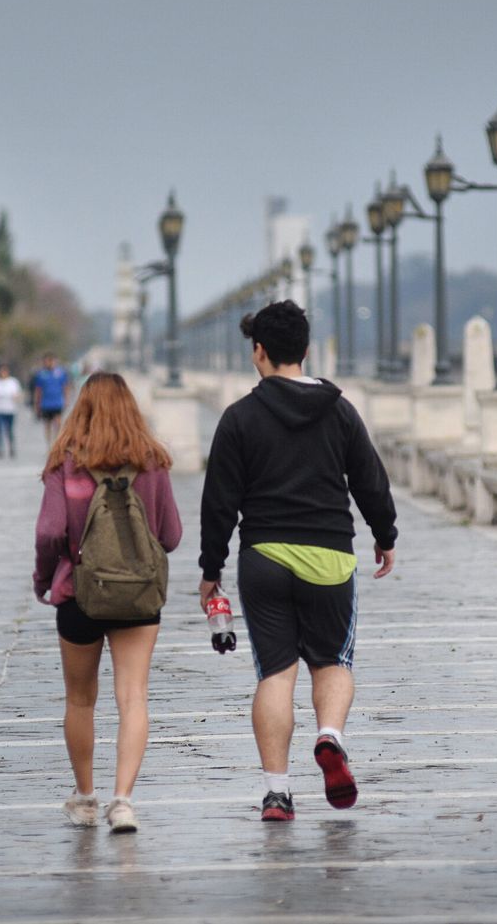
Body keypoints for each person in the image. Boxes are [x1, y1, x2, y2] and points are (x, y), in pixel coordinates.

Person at [197, 300, 397, 822]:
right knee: (332, 663)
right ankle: (329, 736)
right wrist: (385, 534)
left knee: (276, 674)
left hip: (263, 557)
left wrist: (210, 570)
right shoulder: (339, 410)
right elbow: (370, 480)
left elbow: (219, 501)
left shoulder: (239, 417)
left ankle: (277, 793)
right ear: (306, 351)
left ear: (258, 353)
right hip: (330, 554)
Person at [33, 372, 182, 833]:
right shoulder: (153, 463)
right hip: (138, 596)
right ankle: (123, 801)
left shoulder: (66, 463)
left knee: (81, 700)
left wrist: (44, 578)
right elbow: (172, 536)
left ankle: (85, 798)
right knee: (132, 696)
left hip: (79, 594)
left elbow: (49, 532)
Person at [31, 352, 74, 442]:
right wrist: (36, 403)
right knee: (47, 425)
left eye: (51, 360)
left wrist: (66, 400)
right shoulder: (41, 374)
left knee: (58, 424)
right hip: (45, 403)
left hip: (57, 402)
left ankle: (57, 442)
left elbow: (65, 387)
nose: (49, 363)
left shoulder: (60, 373)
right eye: (47, 361)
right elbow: (38, 390)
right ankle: (49, 444)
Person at [0, 363, 22, 458]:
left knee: (10, 430)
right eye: (1, 371)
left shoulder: (13, 382)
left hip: (10, 410)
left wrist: (16, 397)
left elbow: (18, 395)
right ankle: (0, 449)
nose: (3, 373)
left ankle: (11, 448)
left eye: (4, 371)